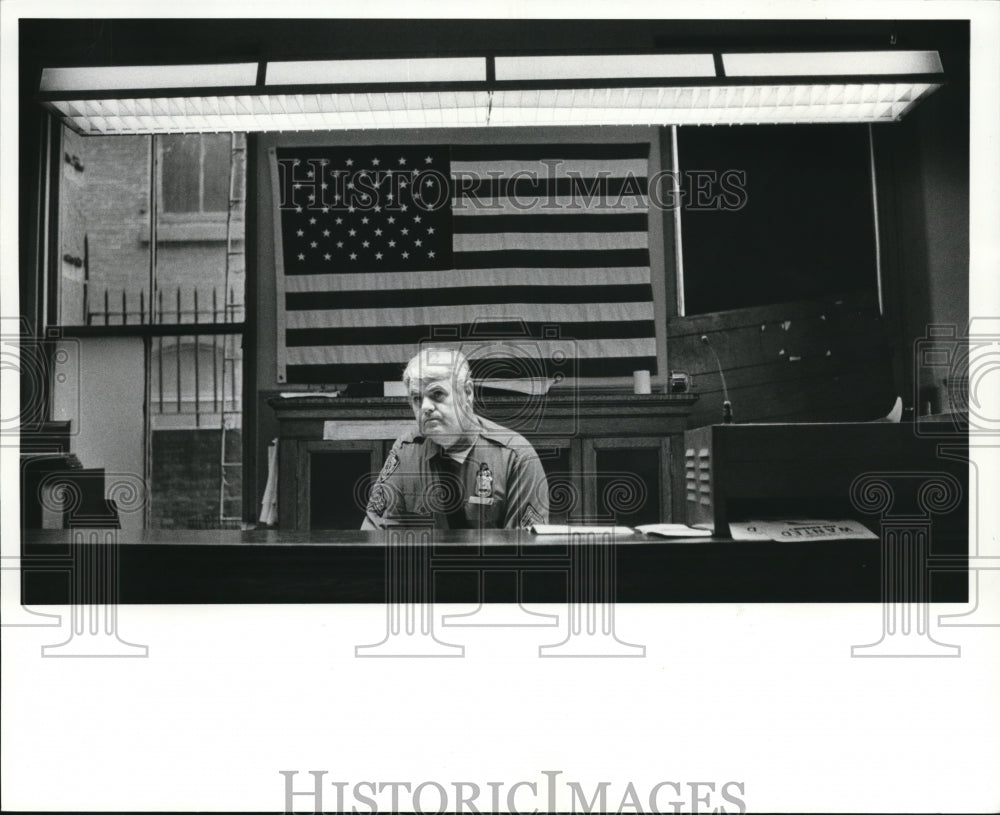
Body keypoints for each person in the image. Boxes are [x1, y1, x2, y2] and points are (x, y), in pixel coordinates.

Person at [362, 347, 549, 530]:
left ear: (467, 393)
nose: (425, 407)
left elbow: (526, 551)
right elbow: (376, 536)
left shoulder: (516, 457)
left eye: (437, 394)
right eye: (417, 398)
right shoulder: (405, 452)